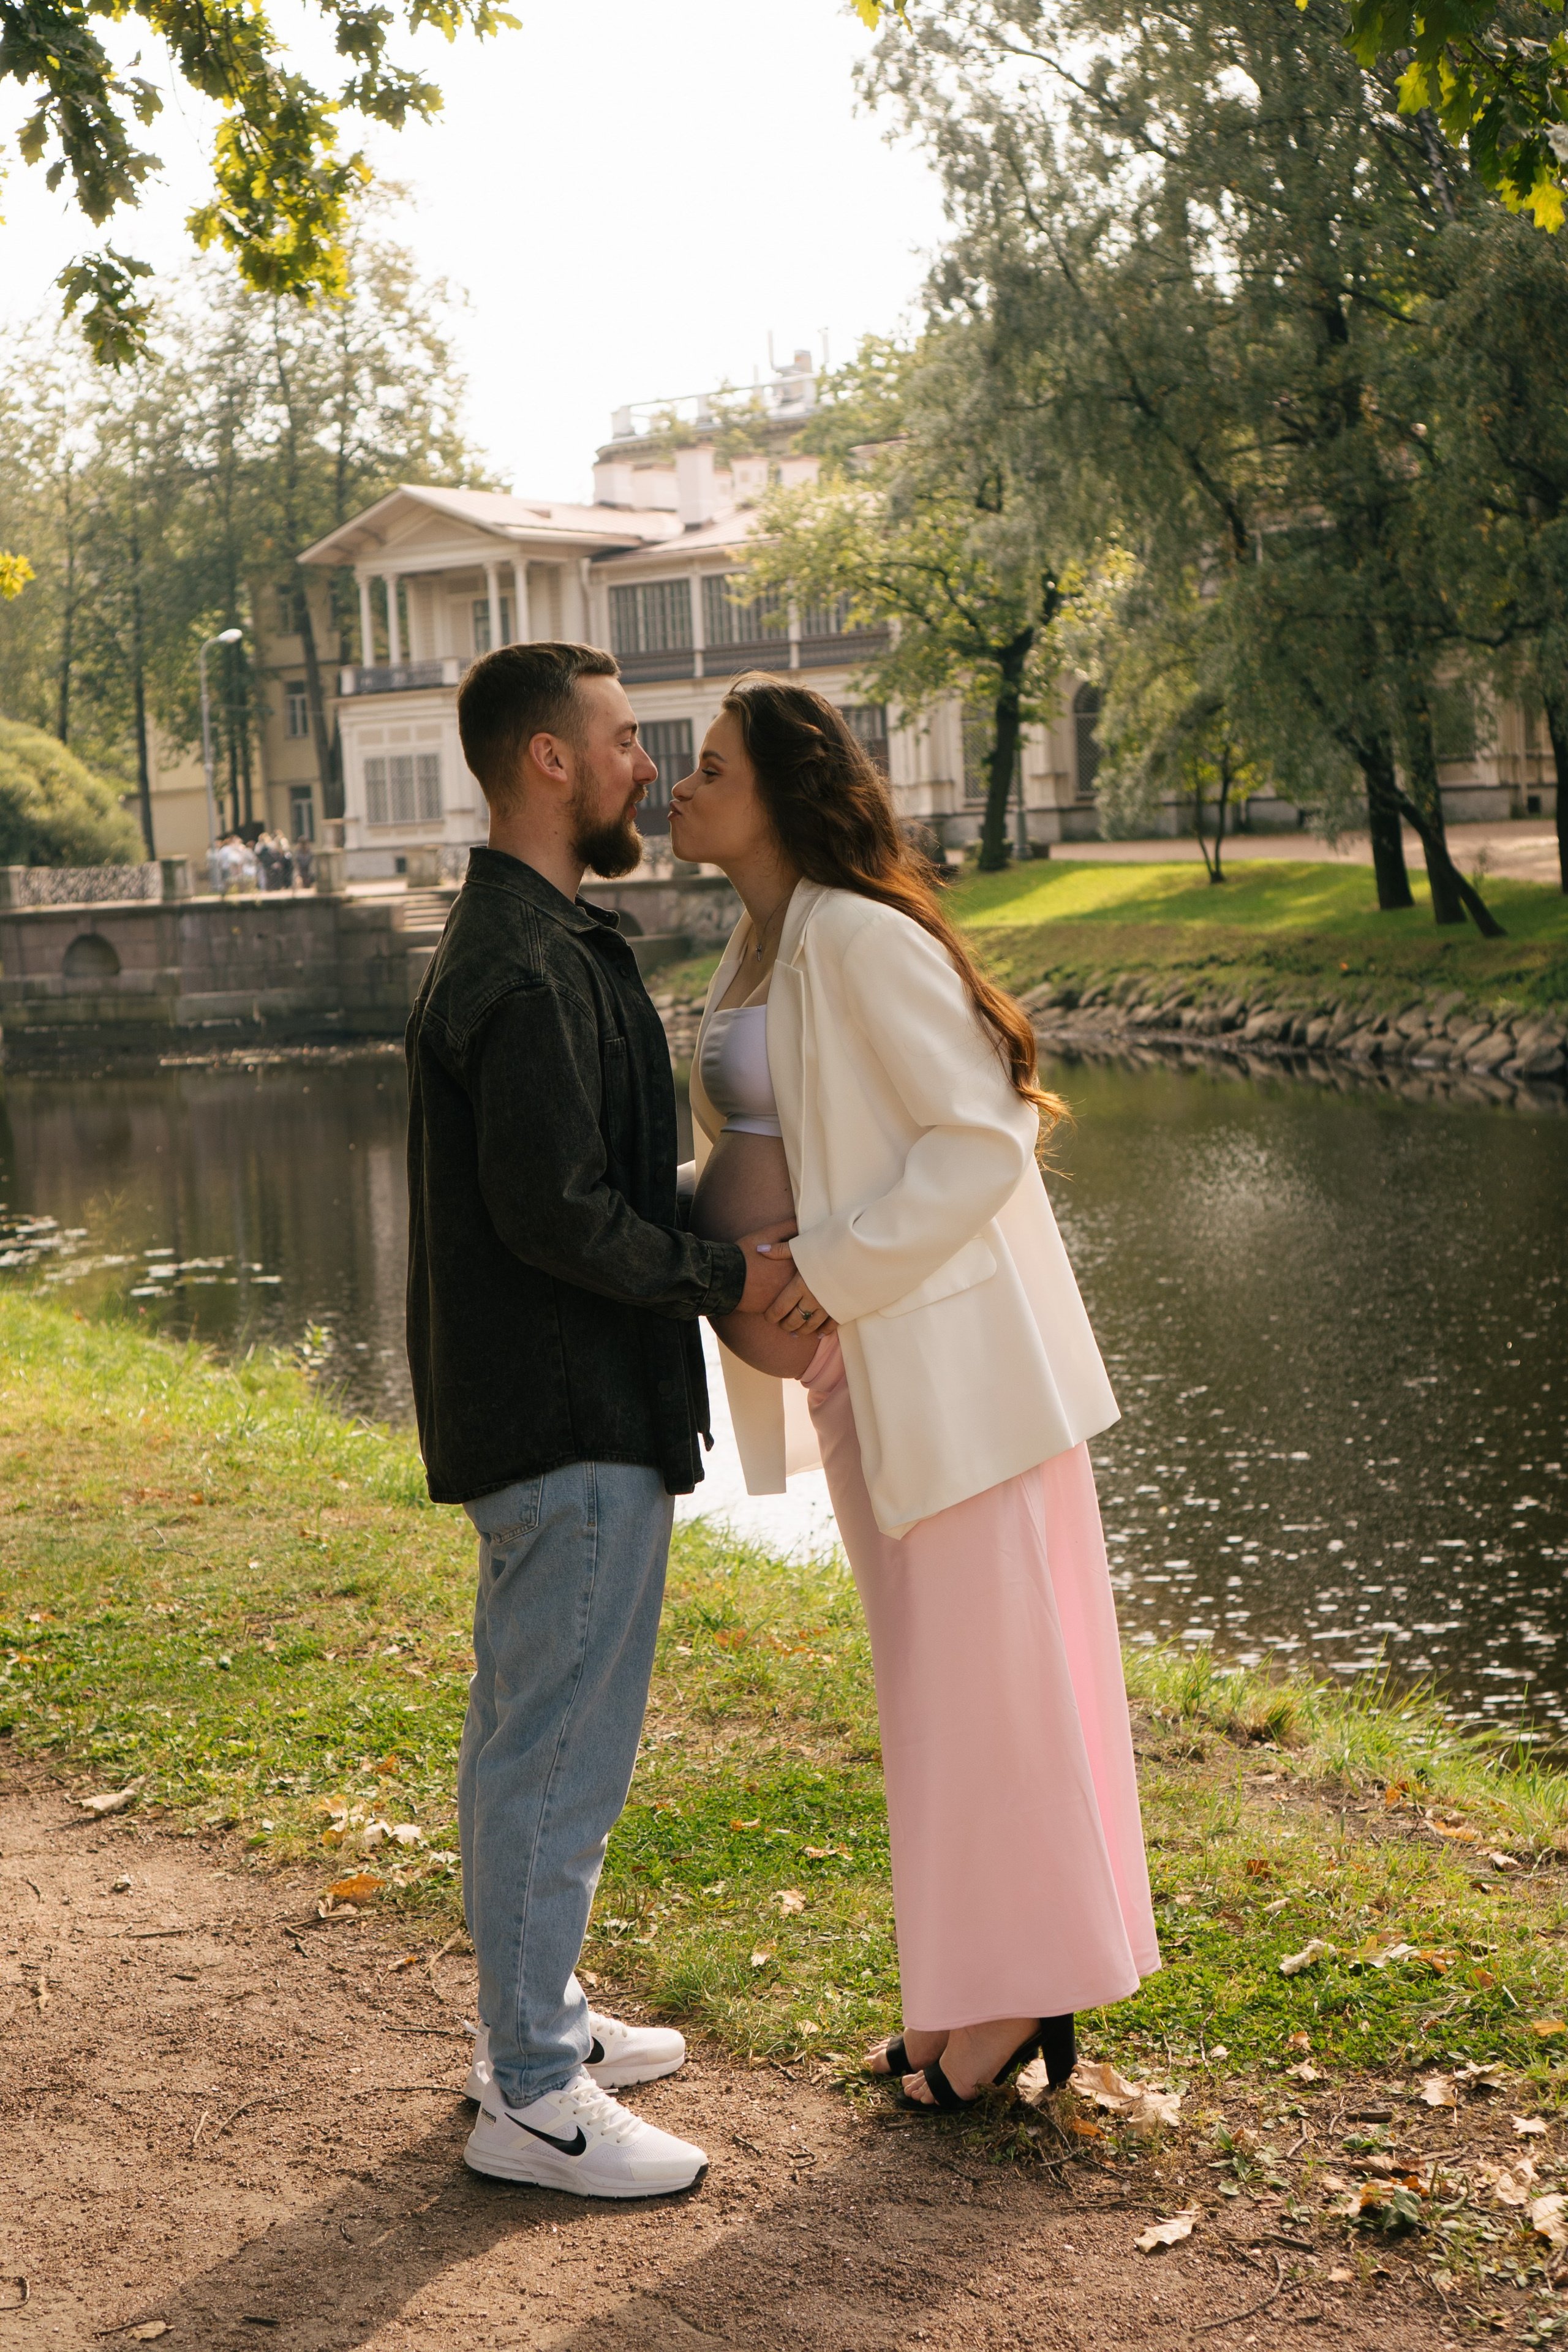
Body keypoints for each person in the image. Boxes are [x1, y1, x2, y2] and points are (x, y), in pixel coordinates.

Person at [670, 677, 1160, 2113]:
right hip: (859, 1370)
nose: (677, 789)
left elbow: (980, 1134)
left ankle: (1014, 1998)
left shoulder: (857, 934)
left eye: (705, 768)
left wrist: (834, 1263)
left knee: (990, 1690)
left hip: (947, 1369)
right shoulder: (763, 937)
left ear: (776, 791)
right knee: (934, 1697)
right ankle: (964, 1988)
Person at [404, 641, 797, 2197]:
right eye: (628, 741)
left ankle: (535, 2022)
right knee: (555, 1757)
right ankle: (531, 2095)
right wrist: (726, 1272)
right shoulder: (515, 961)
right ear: (550, 763)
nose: (649, 767)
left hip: (564, 1411)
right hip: (563, 1419)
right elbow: (557, 1216)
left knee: (530, 1738)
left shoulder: (542, 937)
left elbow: (589, 1189)